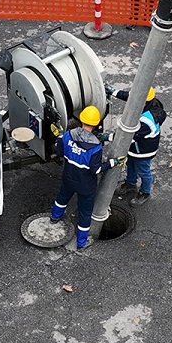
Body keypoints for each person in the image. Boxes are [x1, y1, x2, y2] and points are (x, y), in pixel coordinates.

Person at [50, 105, 120, 250]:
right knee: (85, 213)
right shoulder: (95, 147)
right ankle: (81, 243)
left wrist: (61, 138)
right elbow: (97, 169)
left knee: (62, 198)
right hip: (86, 186)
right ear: (95, 124)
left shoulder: (68, 135)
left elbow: (60, 153)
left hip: (68, 178)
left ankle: (54, 217)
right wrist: (112, 163)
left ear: (81, 120)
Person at [115, 87, 166, 205]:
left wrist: (109, 137)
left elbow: (129, 136)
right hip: (135, 148)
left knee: (143, 171)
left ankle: (145, 192)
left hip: (143, 151)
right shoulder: (149, 102)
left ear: (143, 101)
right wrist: (113, 91)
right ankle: (130, 183)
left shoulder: (145, 121)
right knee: (130, 164)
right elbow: (129, 97)